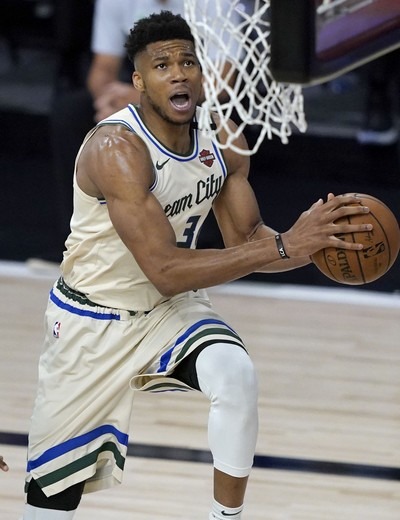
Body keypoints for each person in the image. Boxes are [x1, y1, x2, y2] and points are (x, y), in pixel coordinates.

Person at [23, 11, 372, 520]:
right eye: (162, 65)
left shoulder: (223, 139)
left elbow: (248, 239)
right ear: (139, 82)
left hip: (168, 310)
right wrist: (284, 247)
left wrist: (313, 244)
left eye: (187, 62)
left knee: (235, 375)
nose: (179, 74)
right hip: (91, 320)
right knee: (50, 505)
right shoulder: (115, 149)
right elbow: (165, 267)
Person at [41, 0, 242, 264]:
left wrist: (147, 98)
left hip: (196, 95)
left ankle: (202, 240)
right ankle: (81, 243)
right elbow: (103, 68)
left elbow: (224, 79)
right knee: (71, 112)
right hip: (139, 89)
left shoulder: (215, 4)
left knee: (219, 120)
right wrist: (110, 103)